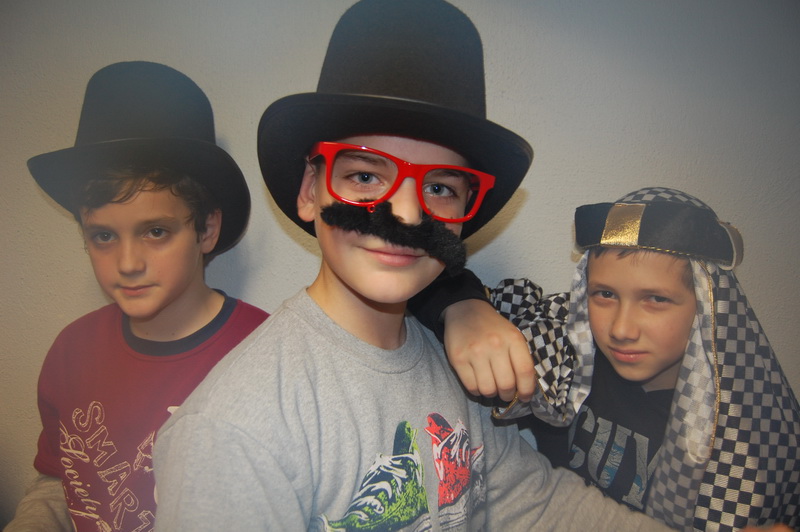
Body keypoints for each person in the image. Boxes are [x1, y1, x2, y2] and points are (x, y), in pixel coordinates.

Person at [152, 1, 672, 530]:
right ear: (310, 191)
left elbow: (540, 505)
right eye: (364, 177)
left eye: (440, 188)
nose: (405, 213)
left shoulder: (448, 364)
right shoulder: (234, 432)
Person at [5, 61, 268, 532]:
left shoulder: (265, 355)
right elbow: (59, 484)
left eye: (156, 231)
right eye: (103, 236)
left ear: (207, 228)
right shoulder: (72, 351)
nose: (127, 263)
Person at [445, 187, 800, 531]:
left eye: (656, 299)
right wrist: (465, 309)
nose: (621, 329)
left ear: (708, 306)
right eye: (604, 294)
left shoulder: (751, 438)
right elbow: (440, 281)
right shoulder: (567, 354)